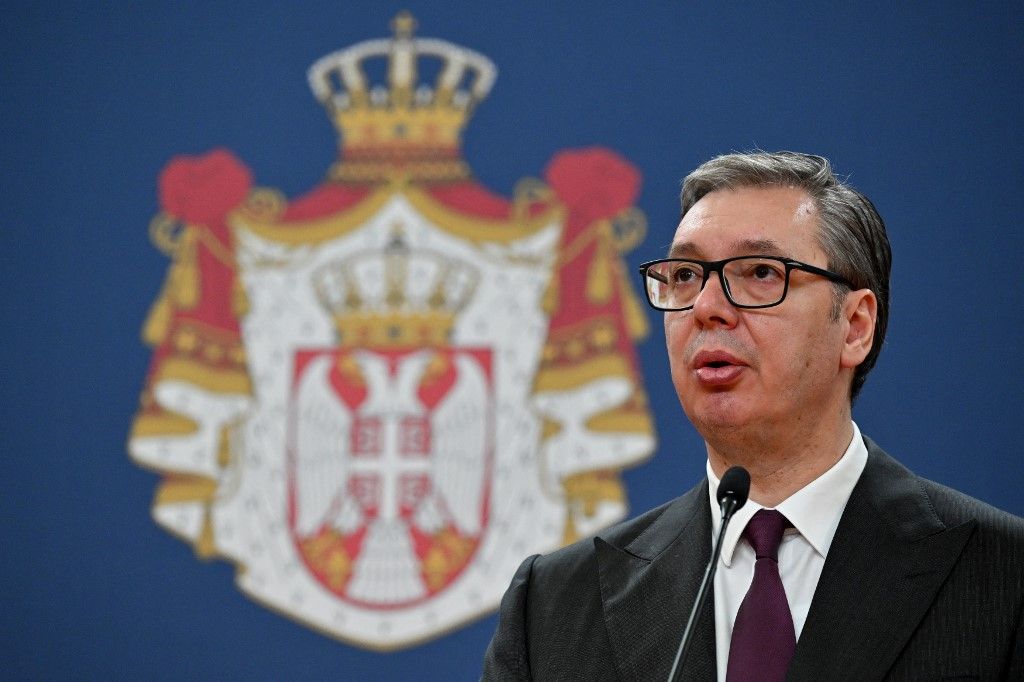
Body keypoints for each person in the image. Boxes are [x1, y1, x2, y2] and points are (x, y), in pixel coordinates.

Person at [482, 151, 1024, 681]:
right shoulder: (554, 605)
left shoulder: (1002, 577)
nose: (705, 308)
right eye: (686, 276)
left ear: (855, 326)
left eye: (761, 272)